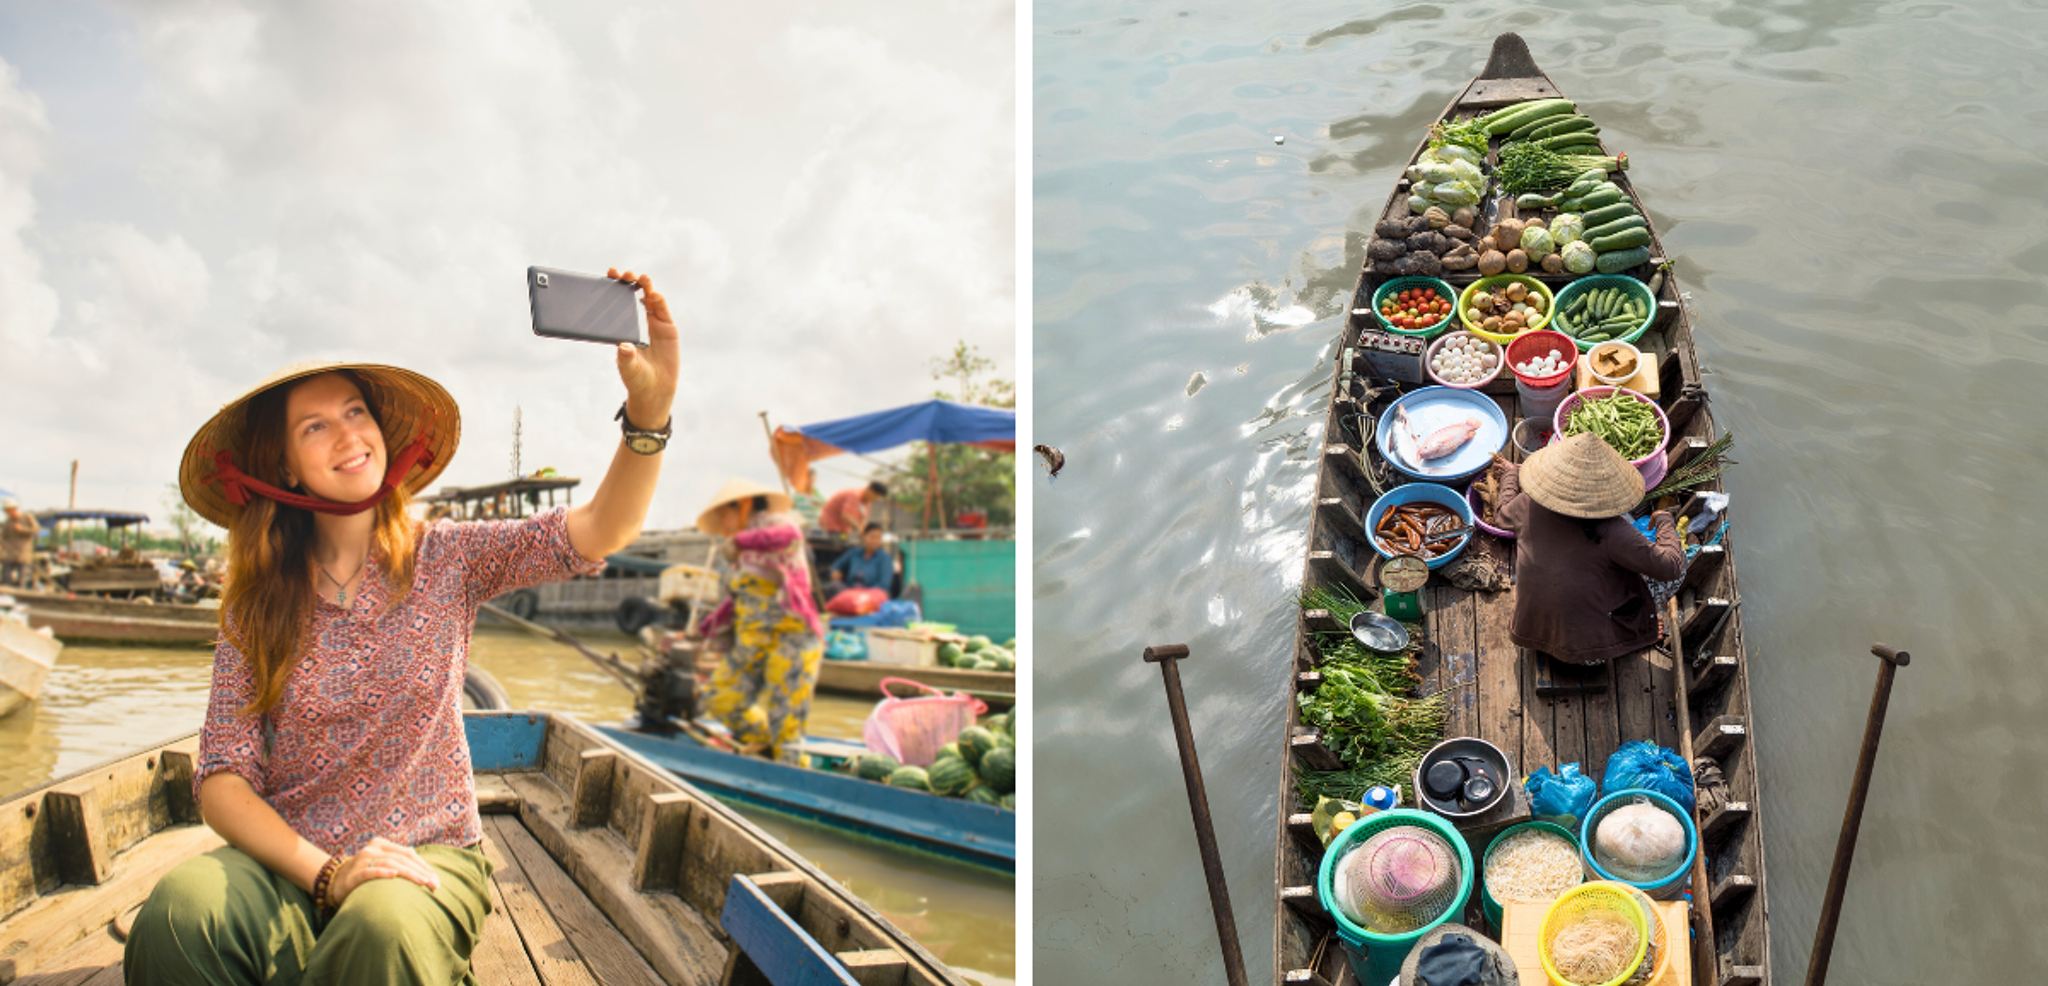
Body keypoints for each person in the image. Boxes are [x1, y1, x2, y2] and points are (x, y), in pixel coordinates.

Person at [124, 267, 679, 986]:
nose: (348, 435)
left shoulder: (448, 557)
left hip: (424, 854)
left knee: (381, 929)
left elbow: (599, 529)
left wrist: (650, 416)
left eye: (356, 412)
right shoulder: (255, 602)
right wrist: (326, 875)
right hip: (295, 863)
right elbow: (223, 777)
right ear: (285, 469)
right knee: (178, 912)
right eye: (315, 426)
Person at [1496, 433, 1686, 667]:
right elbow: (1672, 567)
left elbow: (1501, 513)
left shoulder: (1527, 504)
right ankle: (1635, 632)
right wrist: (1665, 520)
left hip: (1529, 631)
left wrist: (1510, 474)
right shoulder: (1611, 529)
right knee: (1680, 562)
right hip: (1588, 655)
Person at [694, 478, 824, 765]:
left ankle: (789, 766)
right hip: (752, 644)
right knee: (719, 697)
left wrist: (739, 541)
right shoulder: (745, 554)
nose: (724, 523)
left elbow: (790, 536)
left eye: (725, 514)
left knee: (786, 721)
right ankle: (764, 745)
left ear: (743, 505)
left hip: (791, 639)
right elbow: (735, 601)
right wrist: (701, 631)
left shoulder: (773, 522)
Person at [825, 522, 896, 597]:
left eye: (878, 538)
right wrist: (835, 571)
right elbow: (837, 564)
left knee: (880, 594)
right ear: (864, 536)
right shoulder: (854, 553)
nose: (875, 541)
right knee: (834, 586)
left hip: (871, 595)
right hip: (851, 592)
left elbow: (884, 584)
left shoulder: (885, 558)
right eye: (872, 537)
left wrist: (864, 593)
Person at [818, 480, 888, 536]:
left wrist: (866, 531)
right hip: (831, 524)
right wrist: (859, 528)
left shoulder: (866, 501)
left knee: (844, 540)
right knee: (837, 544)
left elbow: (862, 518)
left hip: (843, 529)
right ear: (871, 490)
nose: (876, 499)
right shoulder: (855, 495)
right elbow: (845, 516)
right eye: (877, 496)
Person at [1, 500, 36, 588]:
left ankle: (20, 595)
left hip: (23, 553)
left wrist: (22, 529)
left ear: (14, 509)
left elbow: (36, 530)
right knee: (6, 575)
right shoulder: (8, 521)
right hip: (10, 553)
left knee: (22, 578)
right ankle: (7, 594)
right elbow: (3, 536)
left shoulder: (27, 517)